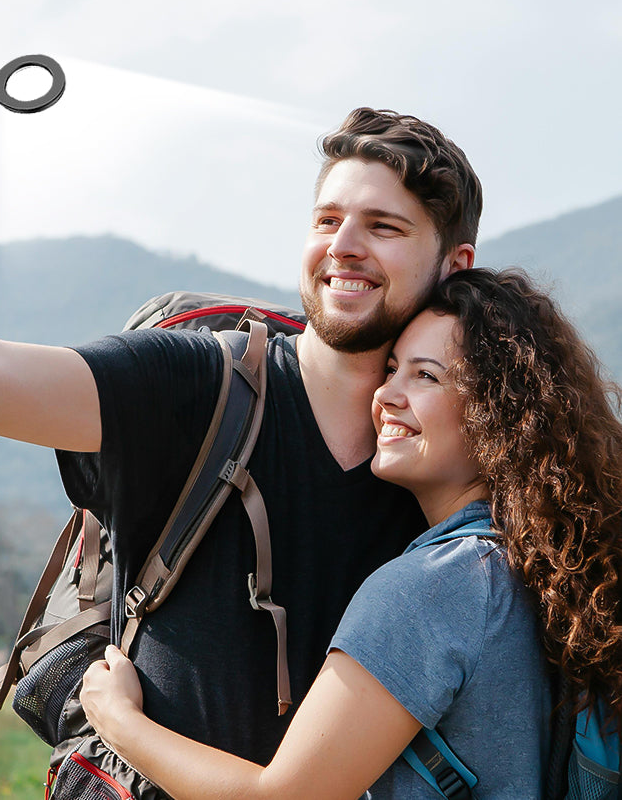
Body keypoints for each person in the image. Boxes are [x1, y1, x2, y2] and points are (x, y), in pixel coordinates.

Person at [0, 47, 481, 767]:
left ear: (456, 266)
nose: (344, 247)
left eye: (384, 228)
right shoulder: (201, 385)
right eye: (327, 221)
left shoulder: (465, 456)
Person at [80, 268, 622, 798]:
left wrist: (119, 720)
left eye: (425, 376)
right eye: (391, 369)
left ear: (500, 416)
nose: (387, 395)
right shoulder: (543, 568)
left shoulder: (433, 588)